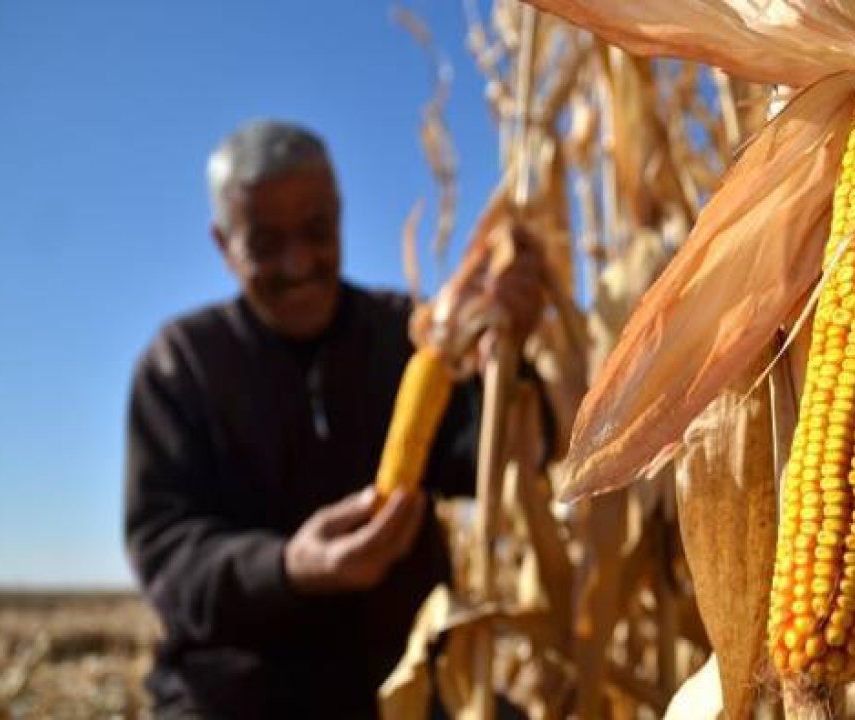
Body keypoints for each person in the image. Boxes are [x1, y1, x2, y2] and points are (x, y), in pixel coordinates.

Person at [123, 119, 544, 719]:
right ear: (222, 243)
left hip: (406, 672)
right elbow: (167, 554)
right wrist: (288, 567)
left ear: (341, 216)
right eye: (265, 242)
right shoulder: (180, 366)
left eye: (316, 231)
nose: (298, 263)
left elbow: (500, 456)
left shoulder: (404, 333)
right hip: (236, 690)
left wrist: (510, 360)